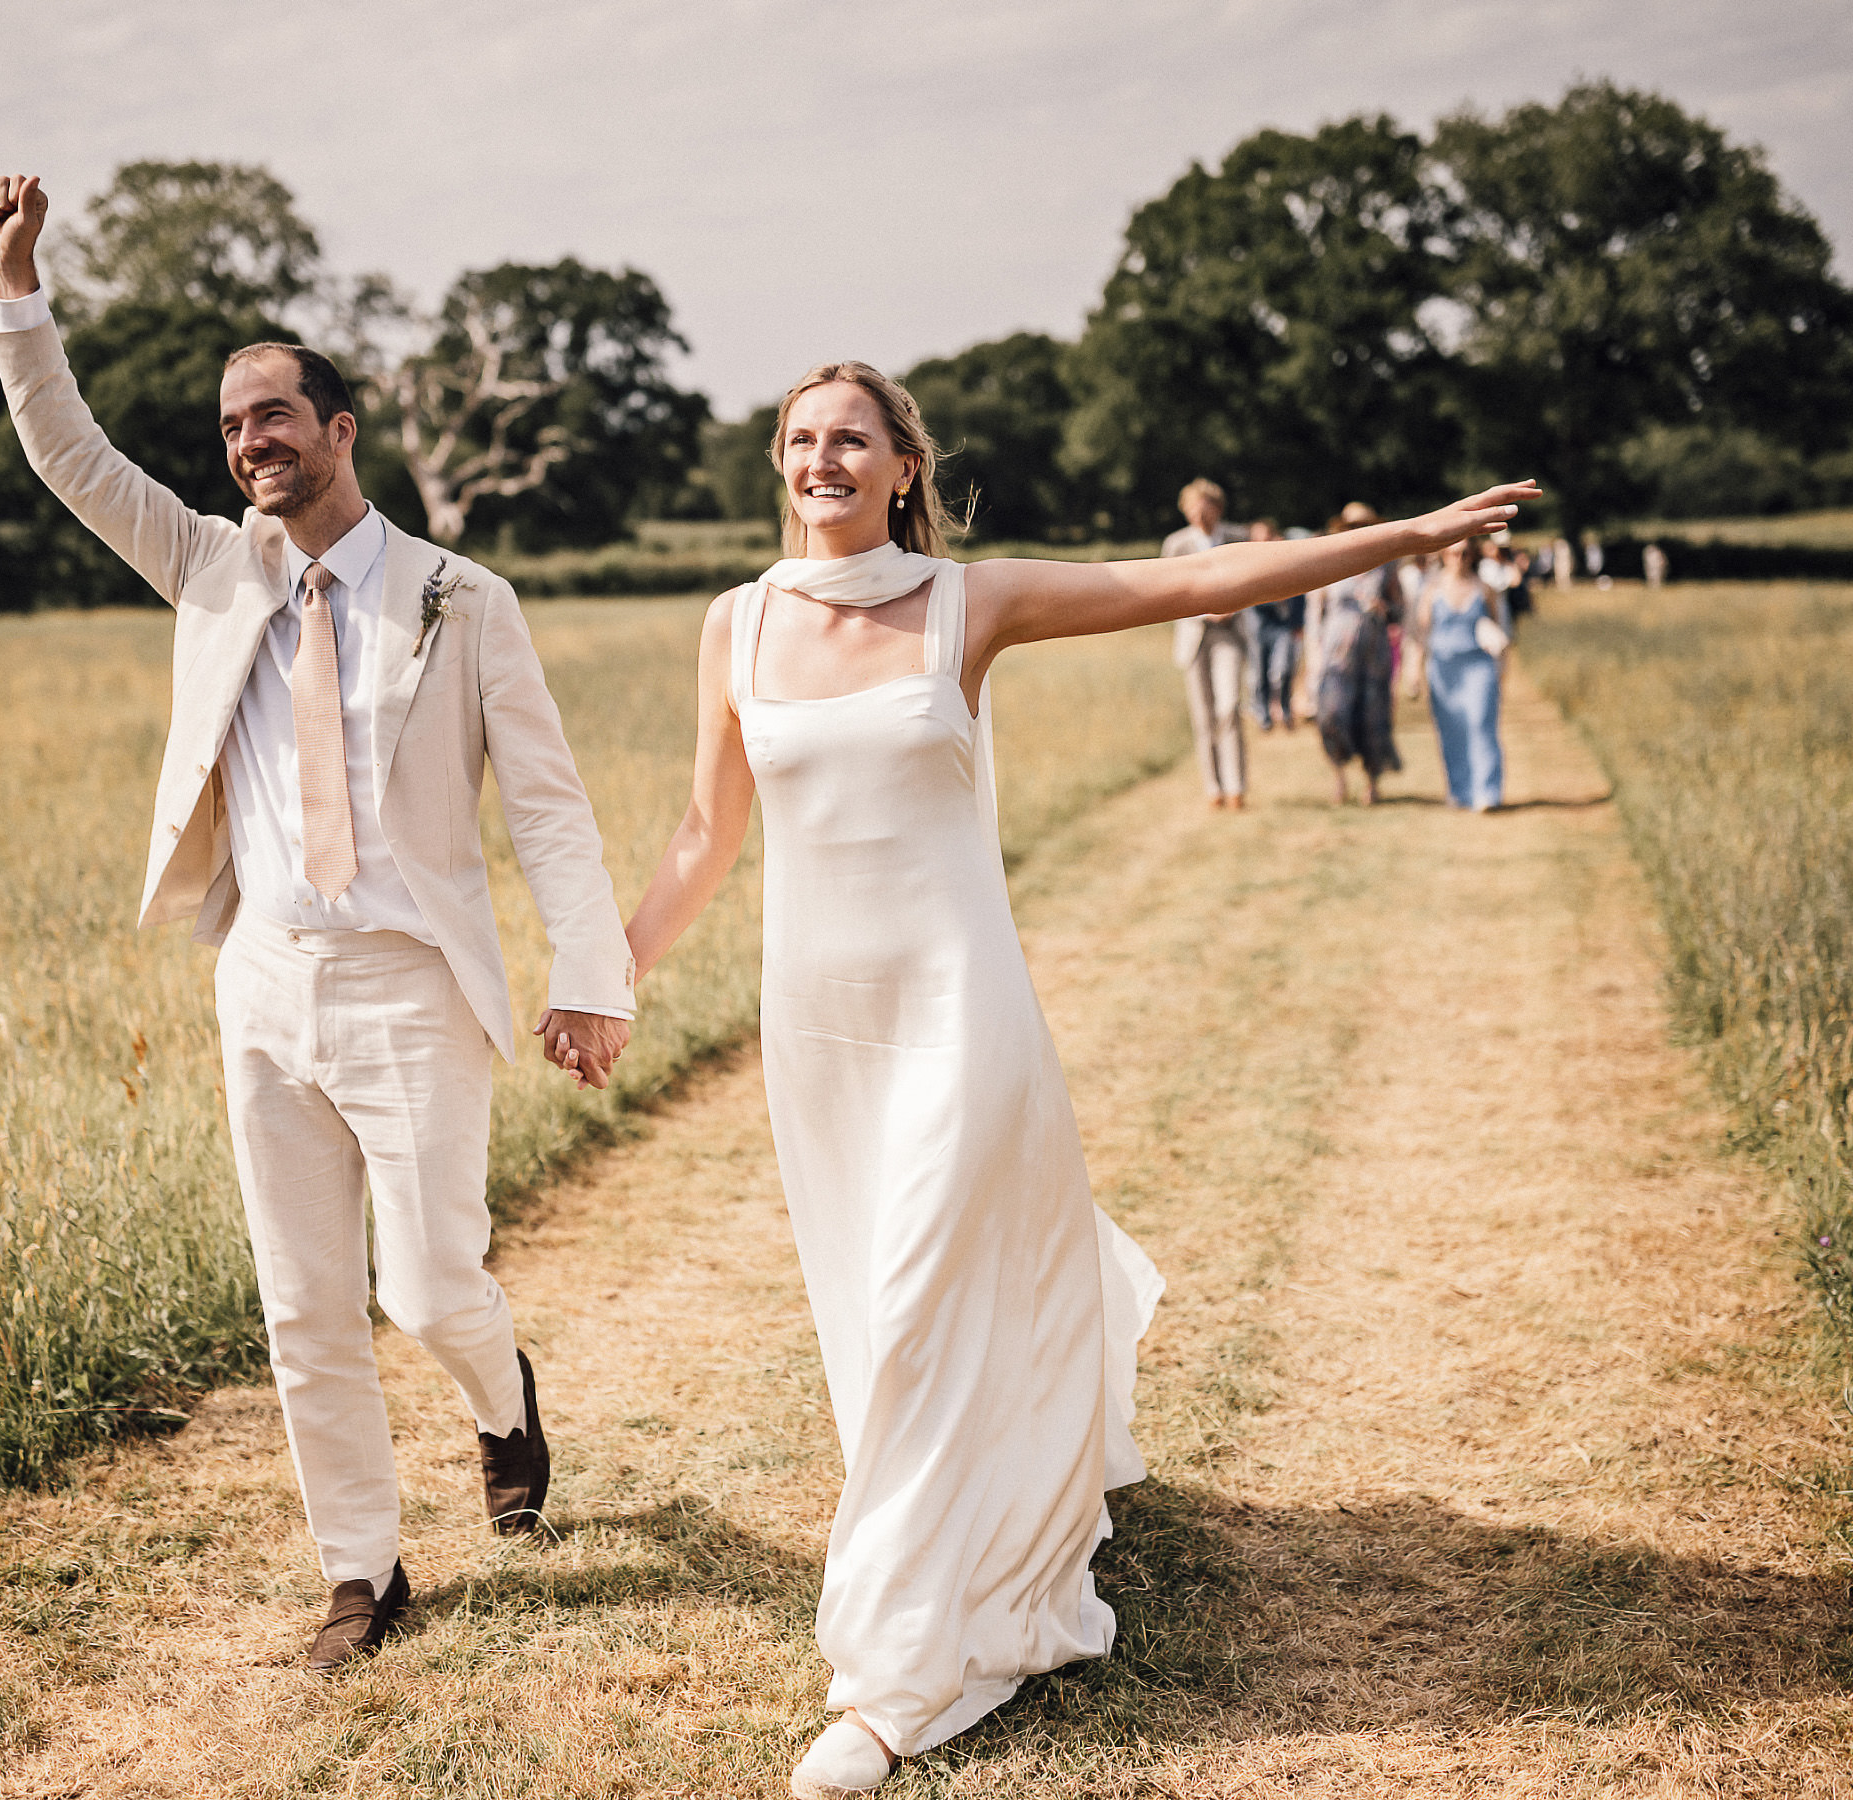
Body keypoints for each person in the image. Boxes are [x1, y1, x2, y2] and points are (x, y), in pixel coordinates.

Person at [618, 359, 1535, 1796]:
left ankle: (897, 1679)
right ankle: (967, 1530)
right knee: (873, 1319)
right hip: (822, 1030)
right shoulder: (737, 623)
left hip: (955, 1013)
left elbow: (1190, 585)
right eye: (799, 438)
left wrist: (1405, 539)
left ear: (904, 467)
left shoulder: (967, 605)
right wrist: (611, 971)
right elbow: (702, 830)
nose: (820, 458)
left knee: (913, 1309)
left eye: (851, 438)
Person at [0, 174, 638, 1673]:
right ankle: (363, 1570)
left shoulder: (463, 599)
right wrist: (17, 290)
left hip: (413, 985)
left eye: (273, 415)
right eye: (230, 427)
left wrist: (588, 972)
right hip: (265, 981)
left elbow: (547, 808)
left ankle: (501, 1399)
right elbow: (70, 454)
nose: (248, 443)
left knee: (429, 1288)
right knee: (303, 1305)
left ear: (340, 430)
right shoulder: (214, 572)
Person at [1308, 503, 1405, 806]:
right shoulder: (1328, 562)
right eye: (1352, 526)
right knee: (1332, 714)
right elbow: (1316, 613)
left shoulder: (1386, 564)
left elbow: (1400, 608)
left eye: (1363, 526)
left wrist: (1385, 608)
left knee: (1373, 718)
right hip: (1336, 653)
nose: (1358, 531)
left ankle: (1371, 782)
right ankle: (1339, 776)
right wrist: (1313, 655)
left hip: (1373, 652)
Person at [1406, 535, 1512, 811]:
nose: (1460, 559)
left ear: (1472, 555)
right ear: (1444, 555)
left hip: (1478, 665)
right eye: (1454, 553)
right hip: (1443, 669)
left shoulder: (1484, 588)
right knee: (1451, 730)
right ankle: (1460, 791)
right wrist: (1414, 671)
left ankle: (1488, 792)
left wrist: (1502, 668)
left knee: (1481, 723)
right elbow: (1420, 633)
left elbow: (1499, 629)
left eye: (1465, 553)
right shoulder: (1431, 589)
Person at [1163, 480, 1249, 809]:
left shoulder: (1237, 538)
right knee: (1203, 715)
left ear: (1218, 507)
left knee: (1229, 707)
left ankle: (1236, 785)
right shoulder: (1176, 544)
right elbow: (1166, 590)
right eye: (1193, 508)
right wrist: (1203, 611)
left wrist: (1233, 607)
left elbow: (1254, 583)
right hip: (1194, 635)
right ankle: (1214, 788)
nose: (1199, 514)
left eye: (1205, 507)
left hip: (1229, 635)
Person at [1243, 520, 1305, 732]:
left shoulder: (1287, 562)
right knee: (1260, 671)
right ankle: (1263, 714)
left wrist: (1298, 622)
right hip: (1259, 626)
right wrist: (1277, 599)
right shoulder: (1248, 565)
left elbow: (1300, 593)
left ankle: (1286, 708)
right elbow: (1249, 597)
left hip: (1283, 626)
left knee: (1285, 669)